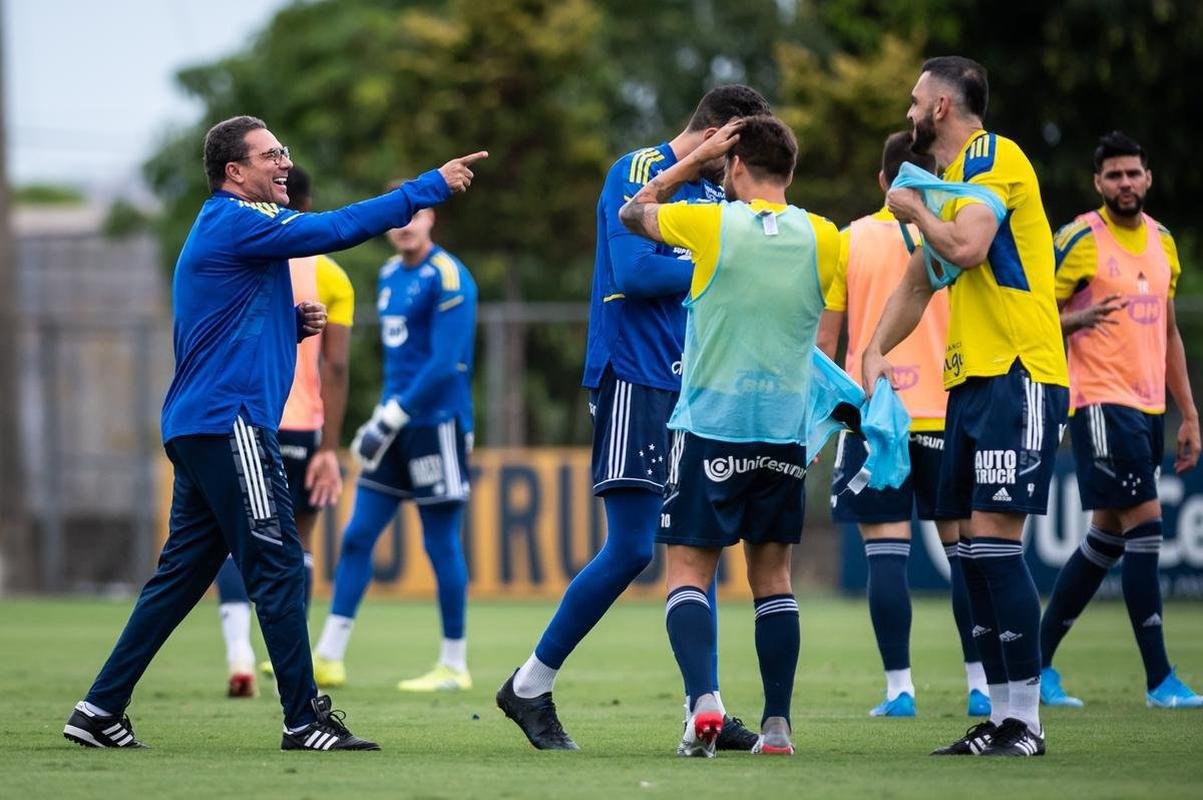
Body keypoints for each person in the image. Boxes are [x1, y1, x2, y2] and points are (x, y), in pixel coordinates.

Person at [62, 115, 485, 750]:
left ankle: (98, 709)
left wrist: (289, 323)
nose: (284, 162)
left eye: (283, 151)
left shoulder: (228, 230)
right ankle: (304, 720)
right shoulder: (239, 220)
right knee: (281, 563)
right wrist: (427, 185)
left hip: (202, 421)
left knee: (181, 577)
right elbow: (336, 228)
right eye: (269, 154)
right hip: (229, 423)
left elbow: (219, 328)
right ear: (235, 173)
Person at [495, 85, 771, 752]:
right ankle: (529, 684)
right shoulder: (639, 170)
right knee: (629, 549)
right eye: (735, 150)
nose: (736, 169)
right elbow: (636, 271)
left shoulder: (714, 196)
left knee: (693, 552)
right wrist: (721, 259)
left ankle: (701, 707)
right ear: (717, 135)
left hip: (695, 388)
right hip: (634, 377)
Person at [861, 57, 1069, 757]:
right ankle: (1000, 719)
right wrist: (872, 352)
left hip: (1019, 371)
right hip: (968, 381)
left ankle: (1024, 722)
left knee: (992, 546)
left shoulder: (993, 157)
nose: (908, 112)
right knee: (972, 554)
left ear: (941, 108)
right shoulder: (950, 187)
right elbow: (923, 278)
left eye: (914, 100)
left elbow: (971, 248)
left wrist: (913, 207)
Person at [619, 114, 839, 757]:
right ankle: (777, 726)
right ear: (792, 174)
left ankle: (706, 702)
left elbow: (635, 214)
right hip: (783, 430)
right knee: (774, 579)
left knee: (688, 571)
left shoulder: (711, 223)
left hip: (712, 424)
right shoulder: (822, 236)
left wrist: (691, 163)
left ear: (734, 166)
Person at [816, 131, 989, 719]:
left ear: (883, 182)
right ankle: (980, 683)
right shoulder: (958, 236)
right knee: (965, 552)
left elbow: (826, 341)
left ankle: (899, 691)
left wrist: (822, 421)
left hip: (874, 414)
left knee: (885, 554)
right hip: (948, 409)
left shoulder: (849, 240)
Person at [1038, 131, 1202, 709]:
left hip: (1147, 407)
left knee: (1106, 537)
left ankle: (1036, 664)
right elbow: (1033, 313)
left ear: (1148, 178)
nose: (1125, 183)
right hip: (1100, 402)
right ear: (1098, 183)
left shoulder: (1163, 242)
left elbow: (1169, 333)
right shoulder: (1079, 239)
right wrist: (1074, 319)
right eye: (1114, 175)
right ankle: (1160, 680)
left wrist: (1189, 414)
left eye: (1134, 173)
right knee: (1146, 526)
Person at [310, 205, 477, 693]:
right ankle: (329, 656)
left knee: (440, 541)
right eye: (398, 215)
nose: (404, 224)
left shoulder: (447, 274)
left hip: (436, 425)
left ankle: (454, 664)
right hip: (393, 427)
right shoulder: (387, 275)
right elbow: (398, 363)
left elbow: (447, 362)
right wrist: (383, 417)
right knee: (359, 535)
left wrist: (389, 417)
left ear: (431, 220)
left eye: (415, 214)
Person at [214, 165, 356, 699]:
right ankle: (287, 663)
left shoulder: (243, 255)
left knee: (231, 542)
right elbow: (336, 369)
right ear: (309, 204)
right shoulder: (330, 273)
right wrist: (328, 448)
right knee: (299, 545)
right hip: (305, 427)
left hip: (249, 420)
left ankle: (240, 655)